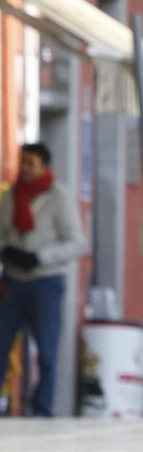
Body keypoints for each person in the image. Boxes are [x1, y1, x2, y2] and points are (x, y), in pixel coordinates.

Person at [0, 142, 87, 416]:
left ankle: (41, 408)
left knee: (47, 350)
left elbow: (77, 243)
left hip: (45, 281)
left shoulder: (59, 196)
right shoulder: (11, 196)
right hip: (12, 281)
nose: (25, 168)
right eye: (23, 161)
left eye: (31, 163)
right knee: (1, 344)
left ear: (44, 166)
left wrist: (40, 257)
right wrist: (7, 251)